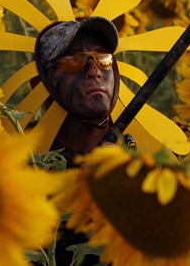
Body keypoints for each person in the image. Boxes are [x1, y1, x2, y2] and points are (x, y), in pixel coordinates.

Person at [30, 16, 124, 266]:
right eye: (74, 61)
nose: (94, 72)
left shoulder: (142, 157)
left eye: (104, 59)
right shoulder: (20, 159)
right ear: (40, 84)